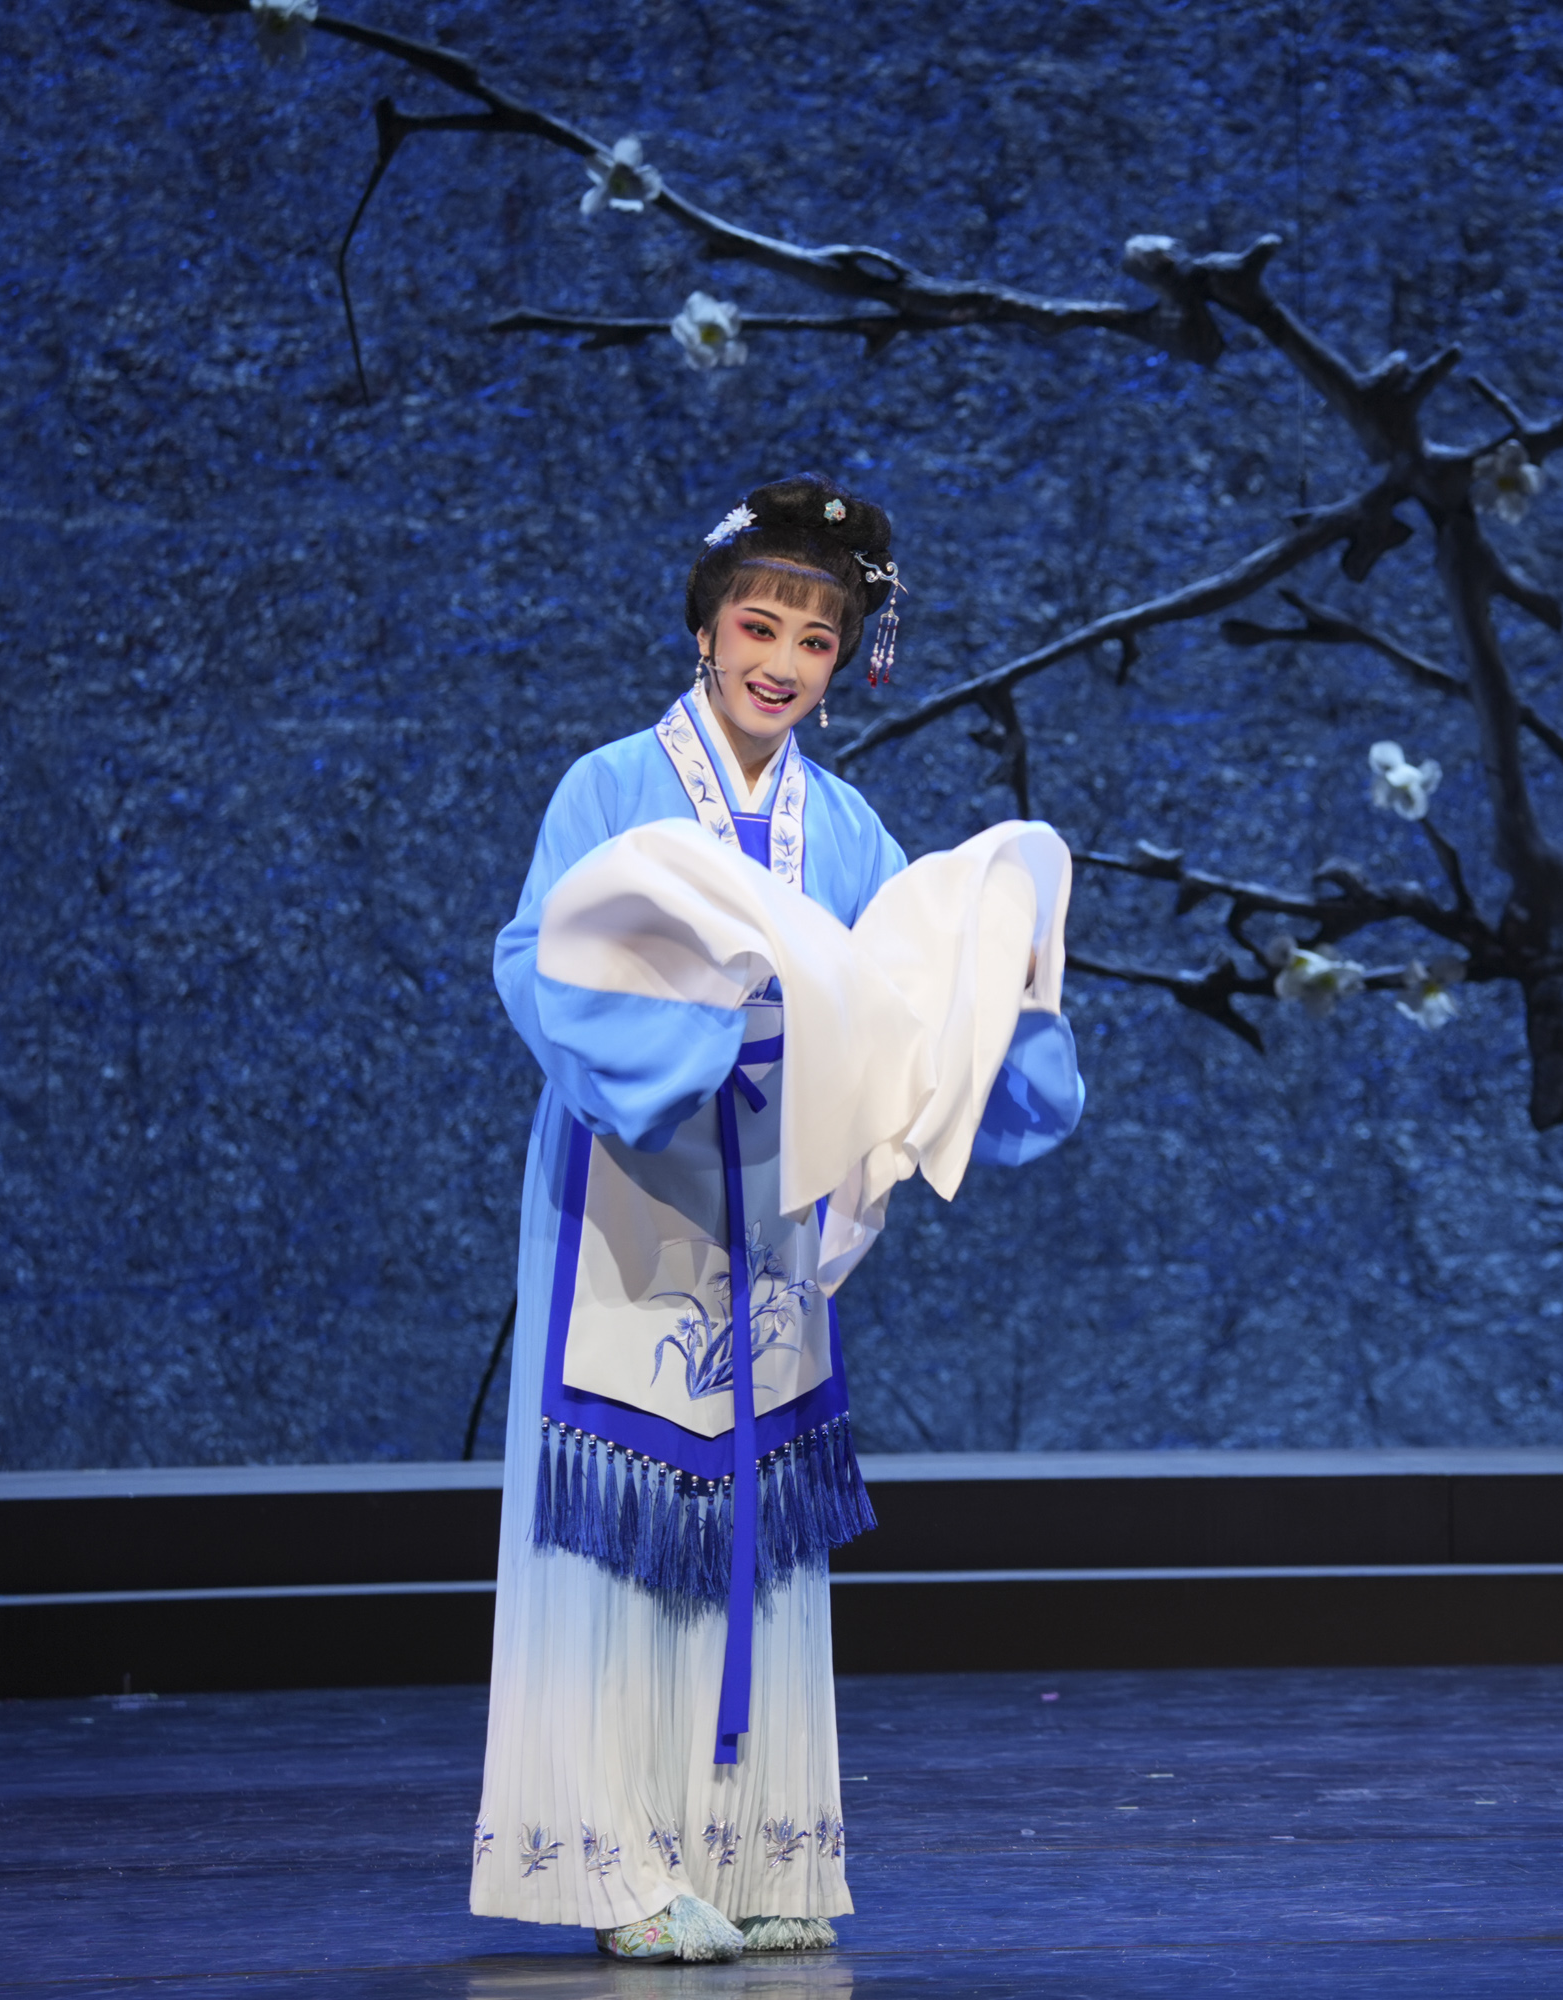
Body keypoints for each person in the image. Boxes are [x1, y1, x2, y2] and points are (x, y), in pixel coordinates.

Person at [469, 474, 1085, 1960]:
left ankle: (758, 1853)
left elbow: (904, 990)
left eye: (819, 640)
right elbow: (537, 958)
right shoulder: (611, 787)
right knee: (612, 1528)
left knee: (758, 1523)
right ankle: (613, 1867)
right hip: (628, 1192)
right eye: (761, 626)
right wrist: (691, 1028)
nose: (784, 664)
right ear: (707, 626)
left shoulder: (844, 822)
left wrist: (994, 996)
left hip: (771, 1202)